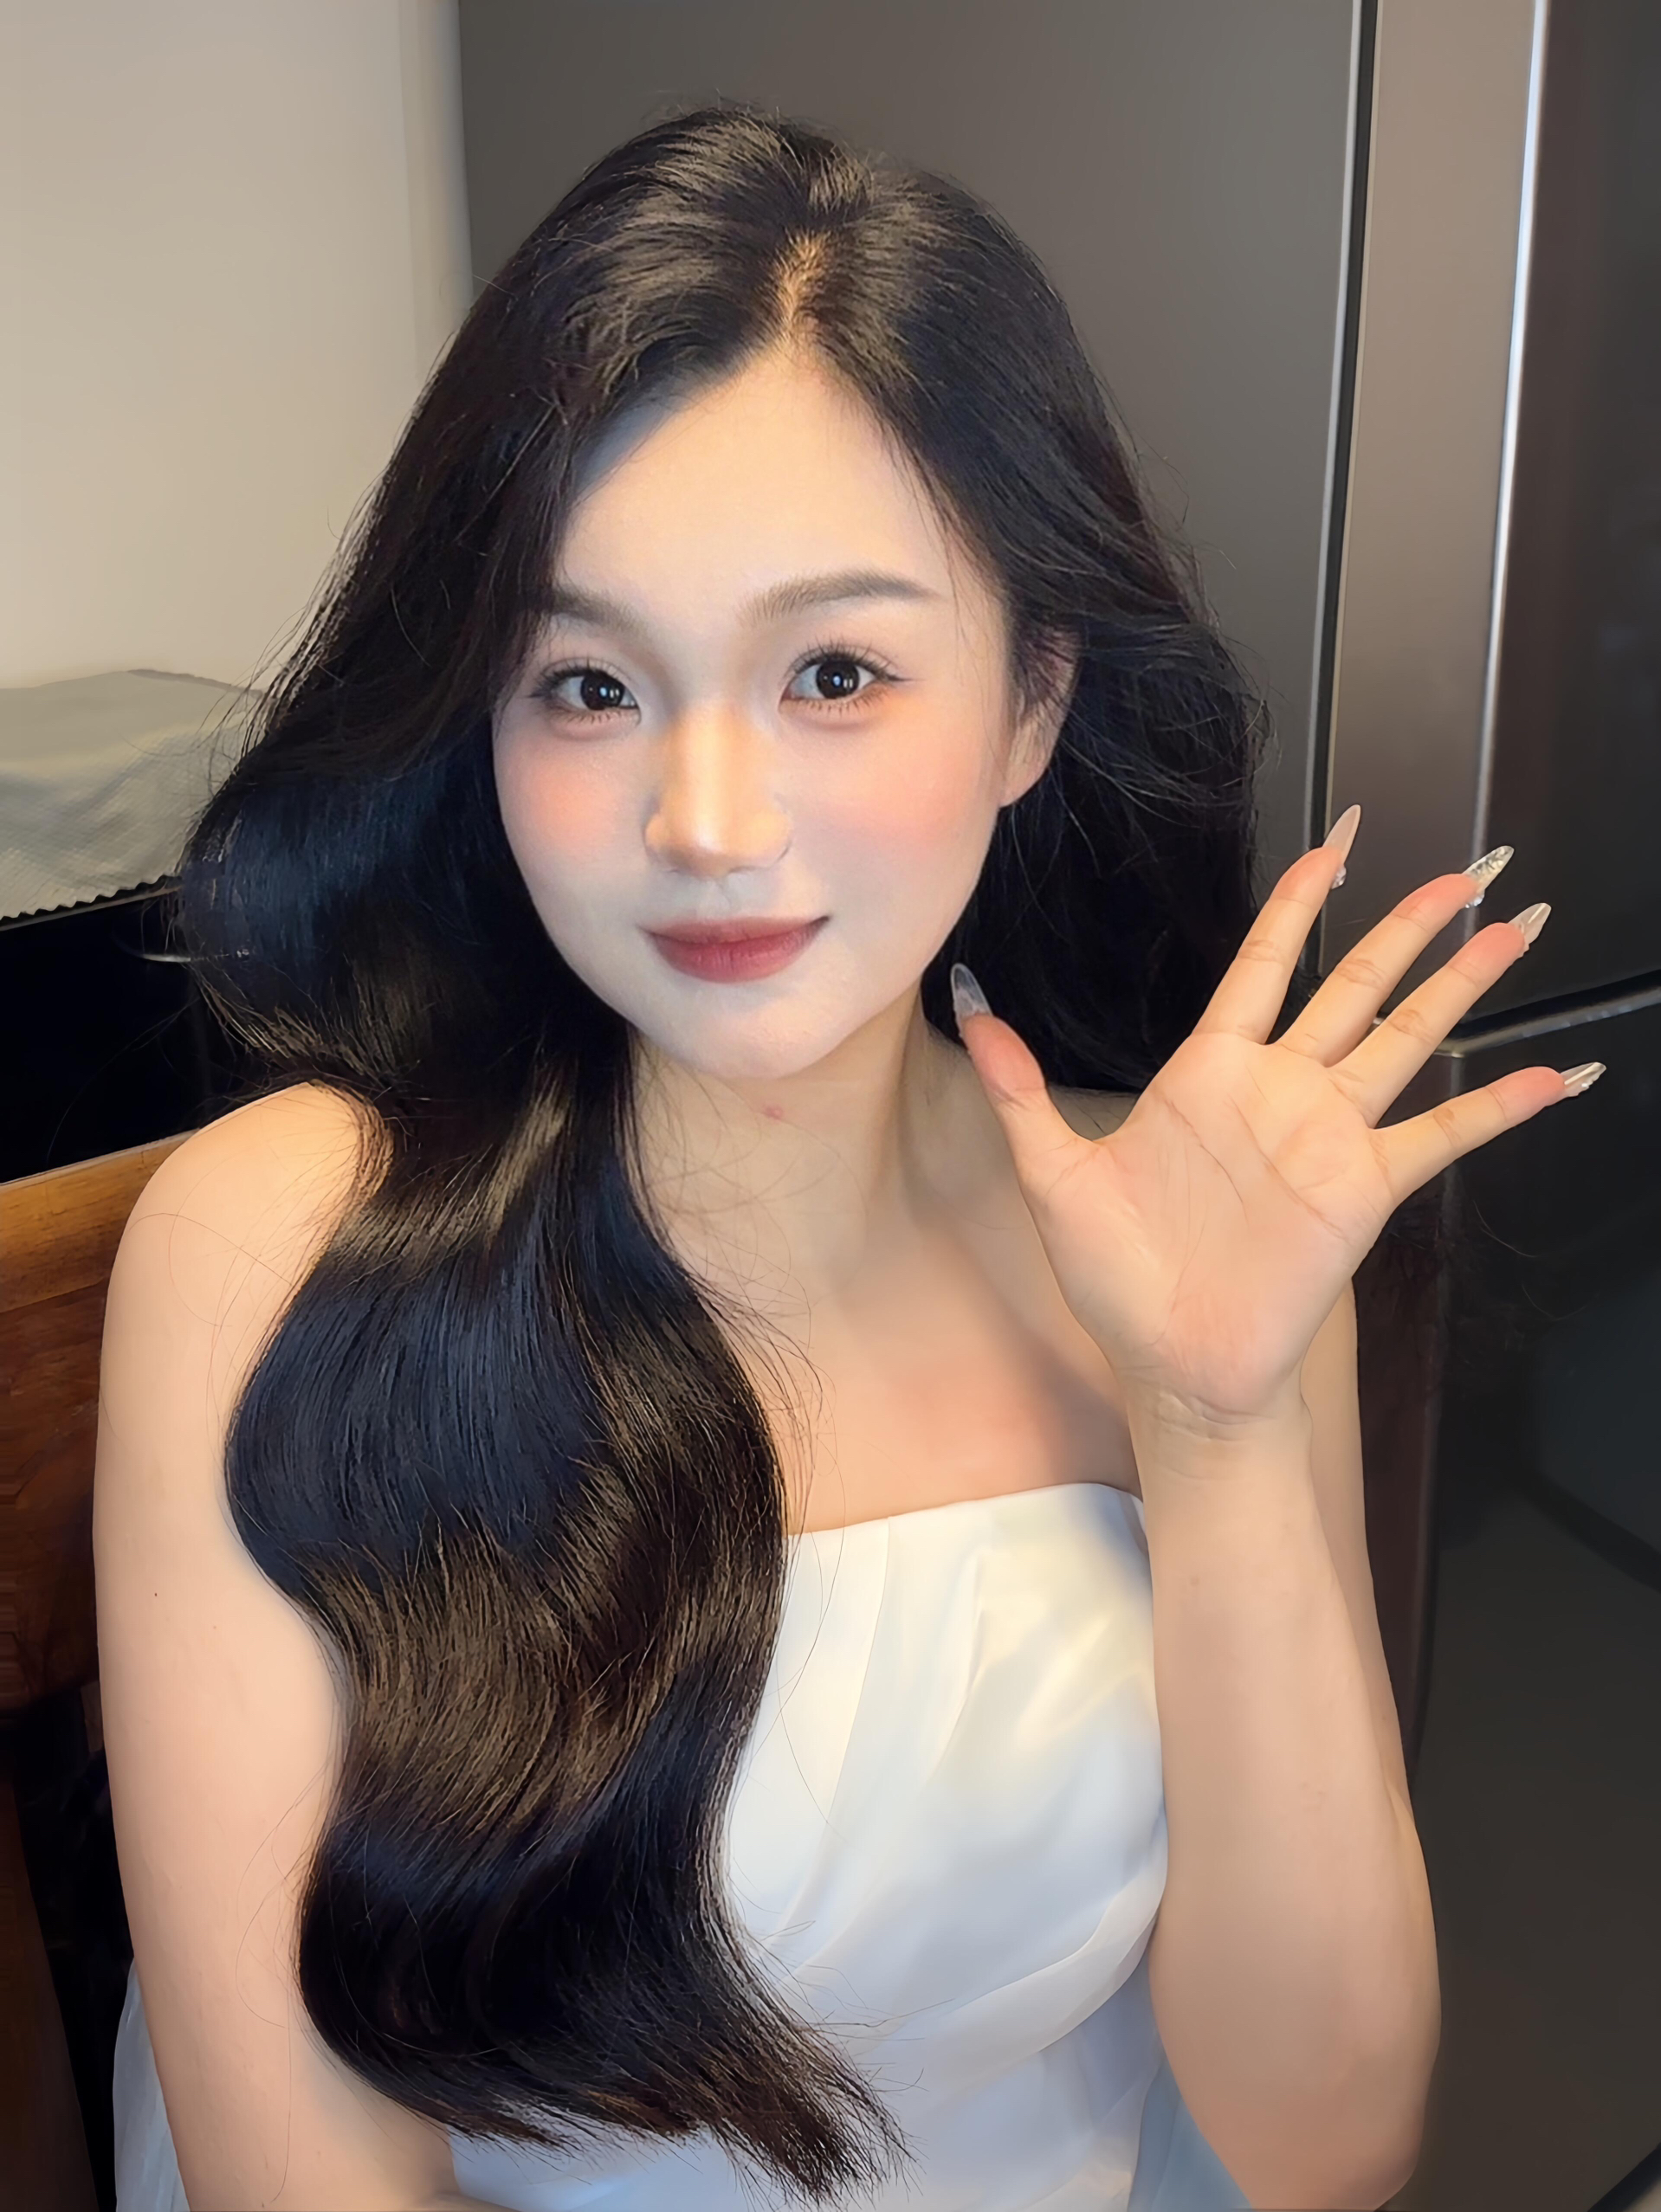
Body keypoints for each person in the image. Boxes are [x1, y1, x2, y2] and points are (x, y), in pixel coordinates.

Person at [95, 103, 1597, 2212]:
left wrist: (1215, 1422)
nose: (704, 822)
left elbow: (1321, 2142)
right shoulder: (282, 1249)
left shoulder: (1182, 1241)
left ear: (1029, 700)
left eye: (832, 672)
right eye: (587, 684)